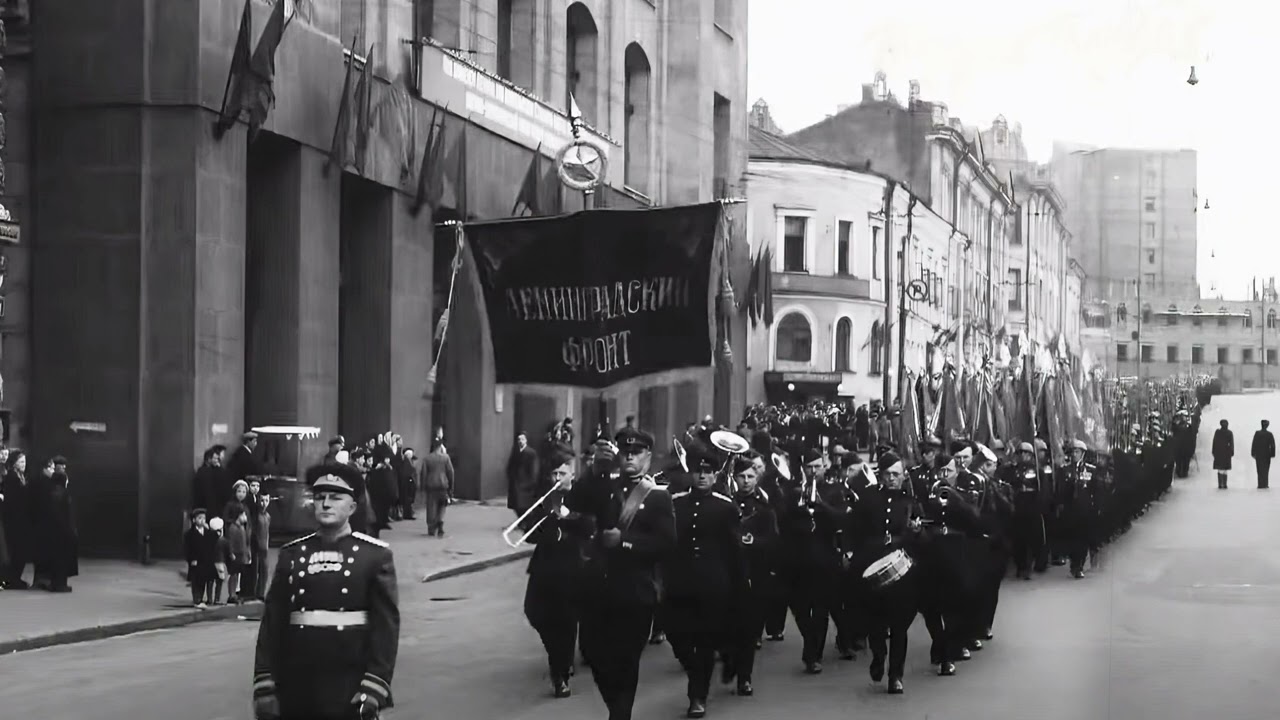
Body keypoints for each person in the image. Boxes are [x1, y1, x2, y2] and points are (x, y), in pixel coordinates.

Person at [252, 461, 399, 720]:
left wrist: (374, 686)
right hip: (296, 687)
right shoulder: (292, 554)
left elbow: (385, 628)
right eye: (319, 498)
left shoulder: (374, 556)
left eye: (335, 497)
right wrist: (264, 685)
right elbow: (272, 624)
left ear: (352, 507)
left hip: (349, 688)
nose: (326, 504)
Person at [568, 426, 676, 720]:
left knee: (626, 660)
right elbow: (571, 503)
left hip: (635, 592)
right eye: (625, 452)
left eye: (636, 452)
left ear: (648, 457)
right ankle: (617, 709)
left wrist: (626, 542)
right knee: (593, 653)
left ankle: (620, 715)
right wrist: (594, 470)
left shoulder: (657, 496)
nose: (630, 457)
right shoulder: (602, 485)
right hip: (597, 589)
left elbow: (666, 543)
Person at [663, 450, 743, 718]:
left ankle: (698, 694)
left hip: (713, 584)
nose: (702, 476)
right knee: (678, 636)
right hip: (679, 583)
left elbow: (734, 551)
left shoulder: (725, 507)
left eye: (708, 472)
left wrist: (739, 587)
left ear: (714, 475)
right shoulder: (675, 503)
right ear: (691, 473)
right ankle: (695, 670)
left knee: (706, 641)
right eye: (698, 471)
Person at [521, 443, 588, 699]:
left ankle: (560, 674)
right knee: (534, 612)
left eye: (562, 473)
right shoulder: (544, 498)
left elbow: (590, 526)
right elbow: (529, 534)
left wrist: (568, 517)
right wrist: (547, 521)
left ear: (573, 472)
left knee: (567, 621)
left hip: (572, 568)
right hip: (544, 568)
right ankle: (559, 656)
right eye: (554, 474)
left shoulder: (581, 496)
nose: (557, 479)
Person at [421, 438, 454, 537]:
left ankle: (431, 528)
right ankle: (440, 521)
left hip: (431, 486)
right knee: (442, 506)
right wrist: (451, 488)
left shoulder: (427, 458)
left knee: (431, 507)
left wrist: (422, 487)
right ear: (440, 447)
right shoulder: (446, 458)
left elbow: (423, 474)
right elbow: (451, 473)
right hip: (443, 486)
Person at [1251, 420, 1275, 490]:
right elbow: (1272, 445)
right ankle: (1265, 484)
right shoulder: (1269, 434)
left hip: (1258, 454)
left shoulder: (1257, 433)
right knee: (1266, 469)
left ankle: (1260, 484)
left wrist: (1253, 453)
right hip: (1267, 454)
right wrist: (1272, 454)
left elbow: (1254, 443)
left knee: (1259, 469)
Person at [1212, 419, 1234, 490]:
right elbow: (1231, 444)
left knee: (1220, 468)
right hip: (1226, 452)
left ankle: (1220, 484)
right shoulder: (1229, 433)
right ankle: (1224, 484)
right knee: (1225, 469)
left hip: (1218, 452)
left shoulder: (1217, 432)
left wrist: (1213, 451)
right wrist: (1231, 452)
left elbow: (1214, 442)